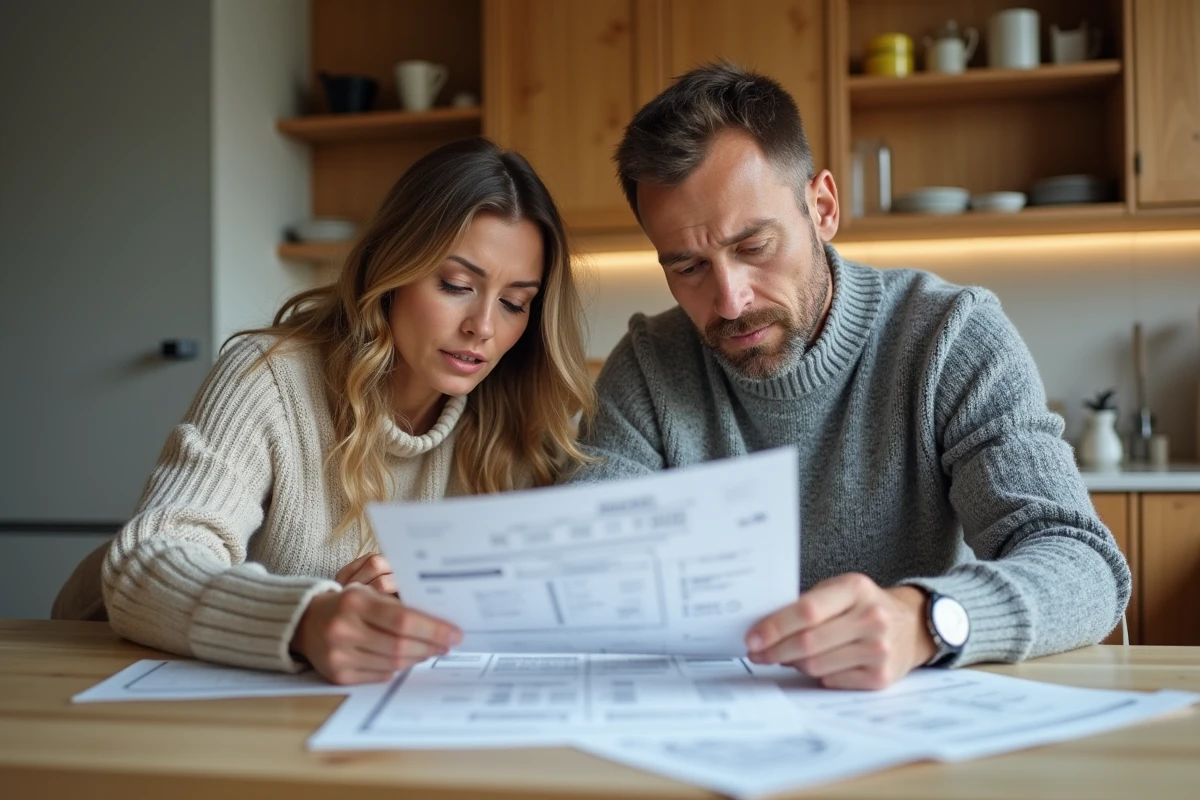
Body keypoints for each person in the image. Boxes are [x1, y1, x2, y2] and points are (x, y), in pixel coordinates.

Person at [571, 63, 1130, 690]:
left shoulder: (950, 336)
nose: (730, 300)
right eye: (688, 267)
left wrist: (924, 621)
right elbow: (589, 573)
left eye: (754, 247)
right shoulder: (649, 366)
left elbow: (1084, 567)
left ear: (823, 207)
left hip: (913, 732)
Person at [75, 137, 594, 684]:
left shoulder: (520, 413)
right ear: (390, 268)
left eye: (515, 303)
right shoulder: (269, 377)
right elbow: (147, 564)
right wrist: (308, 618)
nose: (484, 327)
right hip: (95, 664)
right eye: (456, 285)